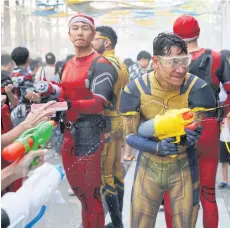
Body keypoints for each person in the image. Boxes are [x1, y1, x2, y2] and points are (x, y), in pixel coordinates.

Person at [119, 32, 216, 228]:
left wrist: (192, 135)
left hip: (184, 166)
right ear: (156, 61)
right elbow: (130, 136)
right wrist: (156, 148)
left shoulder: (197, 87)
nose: (181, 69)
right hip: (148, 167)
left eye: (184, 61)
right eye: (173, 62)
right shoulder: (135, 89)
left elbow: (195, 130)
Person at [171, 15, 230, 228]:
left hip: (175, 126)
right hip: (208, 125)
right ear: (198, 33)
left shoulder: (168, 61)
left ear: (174, 37)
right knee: (208, 193)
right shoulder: (217, 58)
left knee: (175, 194)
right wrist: (218, 114)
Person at [58, 14, 117, 228]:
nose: (80, 32)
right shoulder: (67, 64)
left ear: (93, 34)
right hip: (68, 136)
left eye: (85, 28)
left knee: (91, 197)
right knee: (81, 196)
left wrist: (68, 105)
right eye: (75, 28)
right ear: (69, 34)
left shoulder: (101, 64)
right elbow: (61, 95)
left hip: (91, 135)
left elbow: (99, 102)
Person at [92, 25, 129, 228]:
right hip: (118, 120)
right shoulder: (120, 63)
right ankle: (118, 221)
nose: (91, 42)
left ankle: (117, 223)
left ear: (106, 42)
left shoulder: (104, 63)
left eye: (95, 39)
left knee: (106, 175)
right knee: (116, 172)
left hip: (105, 121)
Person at [10, 47, 41, 127]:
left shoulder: (11, 74)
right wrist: (38, 97)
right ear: (28, 59)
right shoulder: (25, 75)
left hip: (13, 112)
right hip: (24, 113)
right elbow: (28, 94)